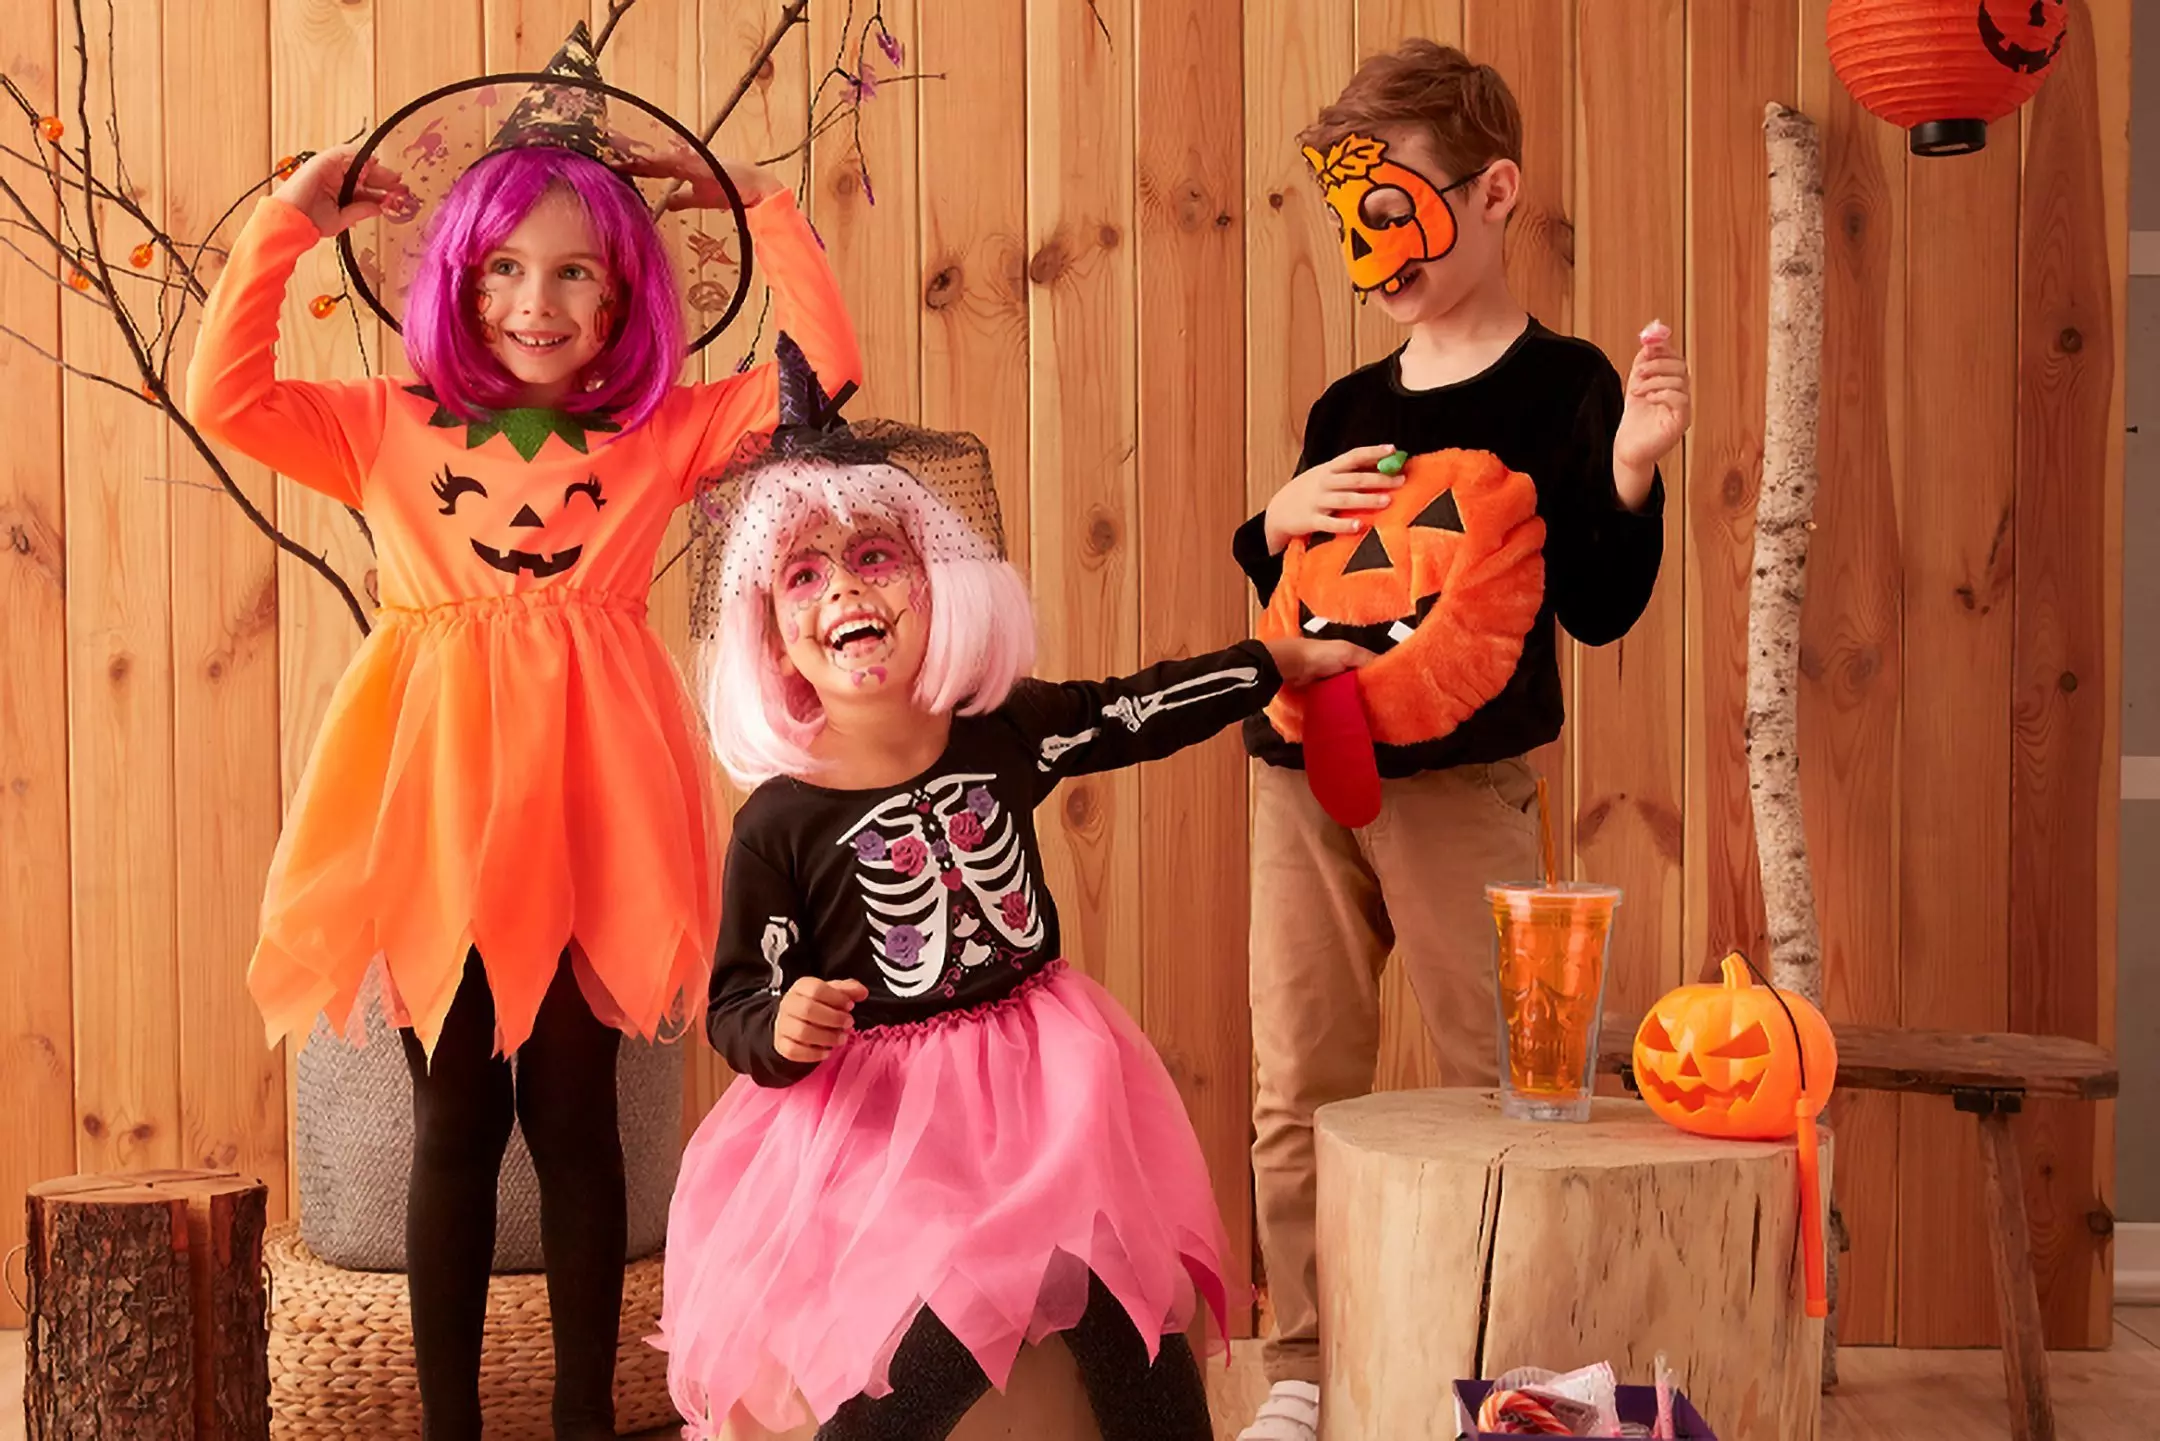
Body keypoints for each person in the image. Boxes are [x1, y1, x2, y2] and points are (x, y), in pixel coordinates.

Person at [185, 23, 860, 1440]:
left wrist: (755, 200)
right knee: (454, 1121)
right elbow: (226, 396)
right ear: (456, 279)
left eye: (574, 273)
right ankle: (449, 1427)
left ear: (624, 297)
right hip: (436, 811)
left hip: (590, 813)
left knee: (578, 1124)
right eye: (502, 268)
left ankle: (576, 1424)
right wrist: (285, 226)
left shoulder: (663, 433)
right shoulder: (383, 426)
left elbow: (823, 376)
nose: (535, 302)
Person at [656, 346, 1369, 1441]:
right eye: (804, 575)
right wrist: (784, 1029)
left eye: (875, 556)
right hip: (882, 1118)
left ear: (936, 582)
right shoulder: (780, 822)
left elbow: (1133, 711)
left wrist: (1267, 663)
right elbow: (738, 999)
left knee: (1115, 1287)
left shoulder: (1003, 735)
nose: (844, 587)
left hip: (1045, 1077)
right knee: (929, 1331)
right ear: (775, 636)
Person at [1234, 40, 1693, 1441]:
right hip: (1302, 770)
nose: (1375, 245)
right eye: (1352, 213)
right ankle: (1301, 1361)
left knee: (1523, 1080)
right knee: (1295, 1077)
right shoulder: (1350, 408)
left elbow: (1600, 607)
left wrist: (1625, 473)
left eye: (1398, 209)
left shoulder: (1565, 387)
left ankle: (1537, 1363)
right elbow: (1303, 597)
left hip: (1459, 787)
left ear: (1493, 193)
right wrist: (1272, 519)